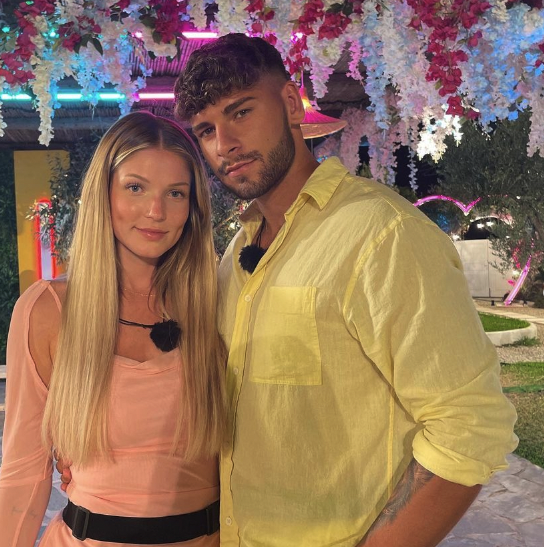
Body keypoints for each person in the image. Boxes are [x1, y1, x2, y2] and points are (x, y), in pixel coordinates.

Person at [169, 33, 518, 546]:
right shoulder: (237, 252)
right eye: (206, 130)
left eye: (240, 112)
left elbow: (469, 426)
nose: (225, 144)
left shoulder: (381, 234)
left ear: (291, 105)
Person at [0, 111, 227, 546]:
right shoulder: (49, 310)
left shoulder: (217, 304)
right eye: (135, 187)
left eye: (176, 193)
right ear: (104, 194)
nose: (156, 211)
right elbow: (23, 471)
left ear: (193, 209)